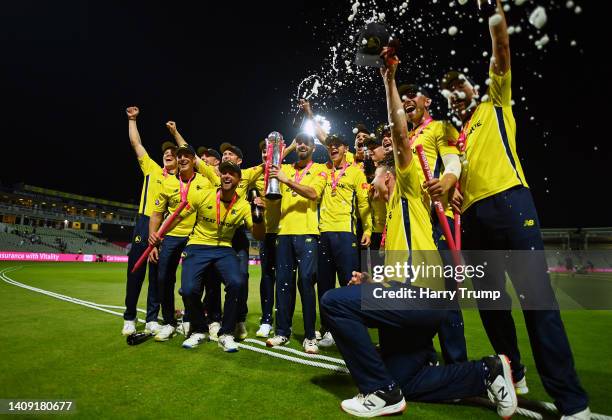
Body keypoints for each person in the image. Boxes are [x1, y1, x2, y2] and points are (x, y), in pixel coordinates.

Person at [319, 49, 517, 419]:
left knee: (333, 302)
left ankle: (377, 390)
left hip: (419, 297)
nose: (370, 185)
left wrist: (389, 79)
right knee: (406, 380)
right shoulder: (391, 213)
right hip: (407, 298)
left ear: (391, 173)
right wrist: (372, 278)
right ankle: (486, 372)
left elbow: (399, 135)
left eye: (375, 177)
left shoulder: (408, 184)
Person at [440, 1, 589, 417]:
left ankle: (572, 401)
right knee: (491, 304)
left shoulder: (495, 103)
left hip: (511, 203)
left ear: (473, 88)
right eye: (449, 90)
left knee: (537, 300)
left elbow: (501, 48)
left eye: (460, 85)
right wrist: (455, 193)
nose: (456, 92)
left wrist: (494, 13)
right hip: (473, 220)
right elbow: (456, 178)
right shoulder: (455, 138)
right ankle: (513, 371)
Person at [149, 161, 265, 352]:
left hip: (224, 248)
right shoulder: (203, 194)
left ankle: (226, 333)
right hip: (198, 246)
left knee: (237, 283)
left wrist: (259, 216)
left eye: (232, 174)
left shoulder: (244, 205)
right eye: (224, 173)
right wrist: (158, 235)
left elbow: (259, 235)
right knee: (188, 290)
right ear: (220, 177)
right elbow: (177, 217)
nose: (227, 176)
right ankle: (199, 330)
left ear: (239, 180)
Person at [399, 82, 468, 365]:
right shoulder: (405, 136)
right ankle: (423, 358)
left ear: (426, 100)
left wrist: (448, 182)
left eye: (412, 95)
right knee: (419, 291)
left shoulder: (440, 128)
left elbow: (453, 163)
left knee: (446, 296)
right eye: (402, 98)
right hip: (413, 223)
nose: (406, 101)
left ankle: (457, 365)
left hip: (438, 219)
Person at [265, 133, 327, 354]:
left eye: (306, 143)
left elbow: (313, 193)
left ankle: (310, 336)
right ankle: (282, 331)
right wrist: (286, 147)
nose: (302, 145)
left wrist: (287, 181)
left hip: (308, 233)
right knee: (283, 283)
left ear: (313, 147)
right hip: (284, 234)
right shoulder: (285, 168)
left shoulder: (320, 169)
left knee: (306, 283)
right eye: (298, 142)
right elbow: (272, 161)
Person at [121, 106, 177, 336]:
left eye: (172, 153)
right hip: (145, 223)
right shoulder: (152, 169)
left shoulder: (179, 183)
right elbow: (136, 144)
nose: (167, 154)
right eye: (165, 152)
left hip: (162, 229)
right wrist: (132, 120)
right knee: (135, 272)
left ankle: (152, 318)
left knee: (156, 275)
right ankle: (130, 317)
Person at [148, 144, 211, 342]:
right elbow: (156, 214)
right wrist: (153, 239)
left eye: (187, 156)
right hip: (171, 237)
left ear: (194, 160)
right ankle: (169, 322)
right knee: (163, 279)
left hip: (195, 236)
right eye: (179, 156)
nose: (182, 159)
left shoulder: (205, 181)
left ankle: (190, 318)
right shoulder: (167, 184)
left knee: (191, 283)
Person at [316, 133, 372, 347]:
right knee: (324, 285)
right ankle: (328, 328)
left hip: (346, 234)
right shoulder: (323, 172)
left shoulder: (356, 173)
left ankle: (351, 328)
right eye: (330, 145)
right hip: (323, 234)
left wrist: (367, 228)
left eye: (337, 145)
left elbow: (364, 204)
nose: (333, 148)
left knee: (349, 283)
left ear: (345, 148)